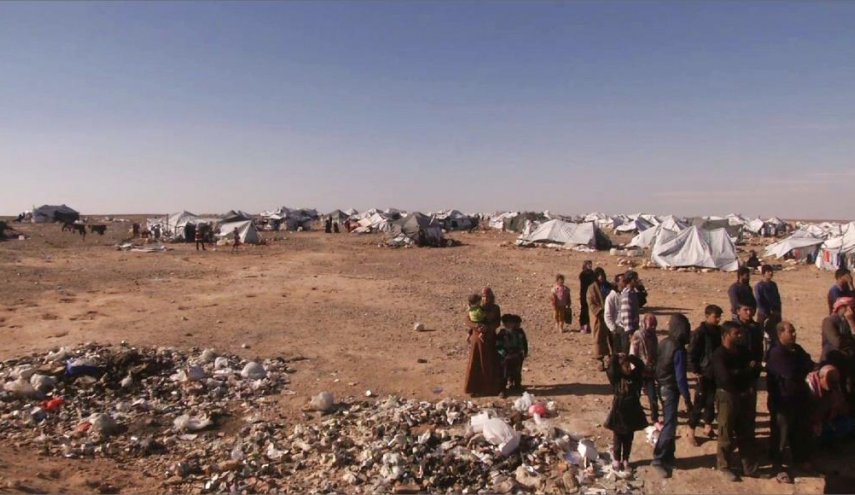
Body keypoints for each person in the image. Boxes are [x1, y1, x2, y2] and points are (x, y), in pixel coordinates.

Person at [766, 321, 814, 484]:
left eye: (794, 331)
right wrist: (802, 368)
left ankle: (799, 459)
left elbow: (809, 363)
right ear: (780, 334)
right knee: (781, 434)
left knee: (798, 431)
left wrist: (802, 367)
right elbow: (790, 372)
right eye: (790, 331)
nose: (794, 334)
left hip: (798, 398)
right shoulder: (776, 352)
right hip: (782, 400)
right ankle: (778, 466)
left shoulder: (797, 349)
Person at [713, 322, 761, 482]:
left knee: (746, 432)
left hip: (744, 395)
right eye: (736, 333)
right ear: (726, 335)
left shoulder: (743, 351)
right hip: (727, 396)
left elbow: (755, 370)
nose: (740, 336)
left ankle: (749, 467)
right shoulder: (719, 355)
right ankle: (724, 466)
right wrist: (745, 371)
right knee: (726, 432)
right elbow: (725, 378)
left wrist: (743, 372)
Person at [651, 314, 693, 478]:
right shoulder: (678, 349)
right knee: (669, 424)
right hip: (670, 389)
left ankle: (669, 456)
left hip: (661, 386)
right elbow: (681, 377)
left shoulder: (664, 342)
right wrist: (687, 399)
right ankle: (658, 459)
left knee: (671, 422)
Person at [605, 352, 648, 473]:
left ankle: (625, 460)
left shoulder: (635, 377)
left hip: (632, 411)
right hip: (619, 412)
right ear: (620, 368)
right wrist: (615, 356)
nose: (628, 369)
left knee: (629, 438)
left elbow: (640, 365)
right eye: (625, 367)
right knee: (618, 438)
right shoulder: (617, 380)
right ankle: (616, 460)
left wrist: (629, 357)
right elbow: (611, 369)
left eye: (629, 366)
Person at [687, 304, 723, 446]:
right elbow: (692, 353)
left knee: (711, 400)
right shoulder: (700, 332)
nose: (718, 319)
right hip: (704, 372)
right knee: (699, 402)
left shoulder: (718, 331)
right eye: (716, 316)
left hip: (715, 371)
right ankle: (691, 430)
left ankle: (708, 426)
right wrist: (696, 371)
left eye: (719, 317)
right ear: (707, 316)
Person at [463, 288, 504, 397]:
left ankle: (492, 388)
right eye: (484, 297)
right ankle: (474, 388)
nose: (486, 299)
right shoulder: (477, 307)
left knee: (491, 362)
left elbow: (497, 322)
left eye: (488, 296)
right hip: (477, 338)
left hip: (490, 338)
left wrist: (488, 328)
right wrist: (476, 327)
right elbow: (468, 320)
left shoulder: (495, 308)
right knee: (476, 362)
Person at [630, 314, 659, 423]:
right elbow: (633, 354)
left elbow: (655, 352)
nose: (653, 327)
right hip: (639, 371)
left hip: (650, 371)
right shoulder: (637, 336)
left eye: (654, 325)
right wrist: (634, 370)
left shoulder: (653, 336)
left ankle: (655, 418)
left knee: (653, 397)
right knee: (636, 395)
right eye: (651, 325)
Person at [497, 314, 528, 392]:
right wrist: (505, 354)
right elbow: (498, 346)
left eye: (512, 323)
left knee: (517, 372)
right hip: (506, 357)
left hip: (517, 356)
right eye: (509, 323)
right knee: (504, 373)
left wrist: (524, 352)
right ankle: (502, 389)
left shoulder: (519, 332)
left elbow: (524, 342)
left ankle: (517, 386)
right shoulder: (502, 333)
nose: (512, 325)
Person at [588, 267, 611, 371]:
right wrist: (600, 311)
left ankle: (610, 358)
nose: (601, 277)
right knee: (598, 338)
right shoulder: (592, 288)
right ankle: (600, 360)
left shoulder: (608, 286)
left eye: (602, 275)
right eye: (599, 275)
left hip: (609, 316)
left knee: (610, 337)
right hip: (598, 317)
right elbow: (591, 303)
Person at [755, 265, 782, 347]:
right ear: (763, 273)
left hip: (775, 314)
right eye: (768, 271)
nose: (770, 273)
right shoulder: (759, 286)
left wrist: (777, 311)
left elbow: (777, 299)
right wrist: (767, 313)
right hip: (764, 315)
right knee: (762, 336)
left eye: (771, 271)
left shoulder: (773, 285)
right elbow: (759, 301)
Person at [821, 297, 855, 362]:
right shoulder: (829, 321)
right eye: (852, 307)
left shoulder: (852, 320)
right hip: (833, 358)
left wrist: (851, 322)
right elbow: (838, 343)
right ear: (841, 308)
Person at [605, 274, 627, 354]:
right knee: (617, 353)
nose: (625, 283)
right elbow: (607, 314)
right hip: (616, 329)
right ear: (617, 282)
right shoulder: (611, 296)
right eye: (623, 281)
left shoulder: (625, 294)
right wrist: (613, 328)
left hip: (624, 328)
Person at [619, 271, 641, 336]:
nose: (637, 280)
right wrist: (630, 333)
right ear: (631, 280)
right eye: (636, 279)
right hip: (628, 331)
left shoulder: (633, 293)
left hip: (633, 328)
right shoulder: (627, 295)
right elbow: (626, 314)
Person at [579, 261, 595, 334]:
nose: (590, 266)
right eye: (589, 264)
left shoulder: (592, 273)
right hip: (584, 294)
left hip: (591, 294)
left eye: (591, 264)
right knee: (584, 309)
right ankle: (583, 325)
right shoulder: (583, 274)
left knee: (591, 309)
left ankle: (589, 325)